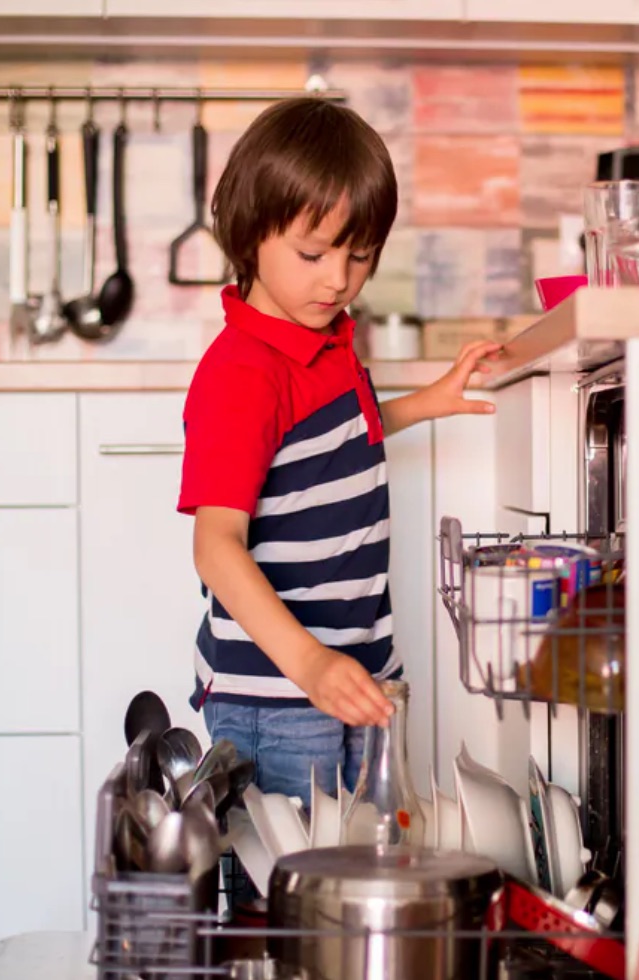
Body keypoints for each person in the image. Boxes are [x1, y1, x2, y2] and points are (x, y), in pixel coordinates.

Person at [177, 98, 499, 809]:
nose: (338, 280)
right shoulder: (243, 371)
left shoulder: (323, 344)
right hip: (276, 695)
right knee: (289, 901)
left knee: (349, 877)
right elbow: (216, 546)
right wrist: (310, 666)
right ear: (250, 231)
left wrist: (425, 402)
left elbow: (324, 443)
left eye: (360, 256)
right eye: (313, 254)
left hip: (352, 674)